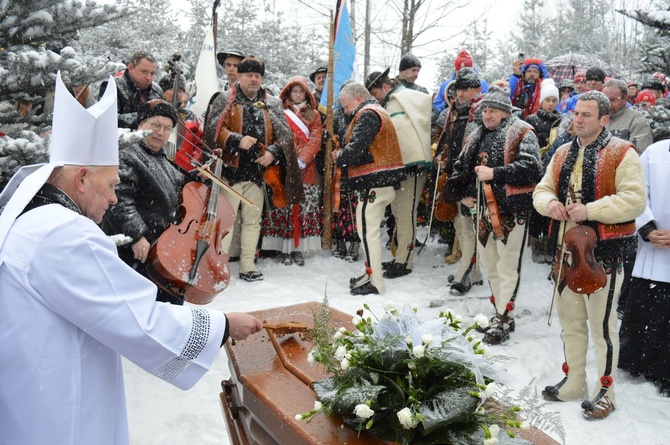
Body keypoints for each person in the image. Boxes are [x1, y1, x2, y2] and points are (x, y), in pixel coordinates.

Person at [0, 72, 262, 445]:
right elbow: (137, 318)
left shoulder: (34, 217)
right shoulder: (66, 233)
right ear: (82, 179)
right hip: (56, 398)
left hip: (30, 381)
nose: (112, 199)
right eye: (109, 186)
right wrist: (221, 326)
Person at [533, 90, 646, 420]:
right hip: (566, 253)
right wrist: (549, 204)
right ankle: (575, 382)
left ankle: (606, 390)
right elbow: (542, 190)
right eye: (576, 114)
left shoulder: (623, 153)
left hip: (604, 254)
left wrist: (590, 210)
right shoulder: (562, 153)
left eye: (586, 115)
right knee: (570, 323)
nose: (577, 120)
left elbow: (634, 200)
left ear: (604, 120)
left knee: (602, 328)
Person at [445, 86, 542, 344]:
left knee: (508, 266)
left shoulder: (523, 131)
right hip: (483, 210)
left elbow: (532, 167)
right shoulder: (476, 134)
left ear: (505, 111)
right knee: (491, 264)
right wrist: (462, 193)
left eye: (493, 110)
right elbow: (461, 165)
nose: (488, 115)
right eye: (485, 110)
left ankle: (503, 316)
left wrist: (495, 173)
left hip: (512, 209)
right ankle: (501, 314)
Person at [203, 56, 303, 282]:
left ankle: (248, 265)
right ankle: (219, 265)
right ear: (239, 76)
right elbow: (212, 130)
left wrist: (272, 154)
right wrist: (236, 139)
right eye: (249, 75)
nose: (254, 79)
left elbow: (285, 138)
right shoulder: (224, 99)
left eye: (257, 76)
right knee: (225, 221)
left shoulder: (272, 103)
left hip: (258, 175)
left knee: (252, 221)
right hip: (230, 172)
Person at [102, 99, 203, 305]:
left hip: (161, 251)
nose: (161, 132)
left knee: (167, 305)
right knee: (143, 307)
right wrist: (137, 234)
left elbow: (177, 187)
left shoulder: (160, 157)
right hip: (137, 253)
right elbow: (119, 199)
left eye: (167, 128)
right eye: (155, 125)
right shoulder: (128, 154)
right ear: (141, 124)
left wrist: (197, 177)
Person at [334, 82, 406, 295]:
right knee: (367, 232)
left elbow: (356, 148)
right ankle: (370, 272)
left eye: (346, 106)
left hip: (374, 183)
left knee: (368, 233)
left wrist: (341, 156)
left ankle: (375, 281)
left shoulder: (367, 114)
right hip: (381, 181)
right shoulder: (378, 111)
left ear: (358, 98)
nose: (346, 111)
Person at [365, 68, 432, 279]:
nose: (375, 99)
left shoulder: (405, 98)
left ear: (385, 86)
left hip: (412, 168)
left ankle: (406, 261)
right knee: (398, 213)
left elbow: (412, 131)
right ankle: (400, 256)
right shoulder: (393, 102)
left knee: (405, 215)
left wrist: (413, 157)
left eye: (375, 93)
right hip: (399, 168)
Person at [618, 139, 670, 397]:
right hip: (651, 247)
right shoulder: (655, 152)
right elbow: (638, 193)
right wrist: (648, 228)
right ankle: (634, 362)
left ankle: (665, 371)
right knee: (643, 307)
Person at [434, 67, 485, 295]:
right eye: (458, 89)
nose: (461, 94)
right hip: (456, 174)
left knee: (469, 227)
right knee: (460, 225)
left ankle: (467, 271)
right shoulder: (454, 112)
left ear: (477, 89)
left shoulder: (483, 112)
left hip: (473, 177)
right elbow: (448, 140)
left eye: (466, 89)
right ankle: (472, 270)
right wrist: (442, 156)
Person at [262, 76, 323, 266]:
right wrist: (288, 158)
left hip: (307, 169)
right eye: (294, 91)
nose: (297, 95)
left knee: (303, 209)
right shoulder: (281, 112)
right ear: (289, 93)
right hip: (284, 166)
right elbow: (276, 136)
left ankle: (298, 249)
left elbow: (315, 138)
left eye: (301, 91)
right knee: (285, 208)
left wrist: (303, 159)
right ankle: (284, 249)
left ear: (306, 93)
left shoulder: (314, 115)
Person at [525, 78, 563, 264]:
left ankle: (549, 241)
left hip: (554, 166)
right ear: (541, 101)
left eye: (554, 100)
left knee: (553, 202)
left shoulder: (561, 121)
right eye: (547, 100)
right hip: (536, 165)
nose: (550, 104)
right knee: (537, 204)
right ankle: (535, 238)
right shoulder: (532, 120)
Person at [99, 51, 163, 128]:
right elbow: (106, 119)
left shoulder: (157, 91)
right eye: (144, 72)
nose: (148, 77)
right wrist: (142, 119)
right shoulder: (113, 86)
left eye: (152, 73)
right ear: (130, 68)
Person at [158, 73, 204, 172]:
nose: (177, 94)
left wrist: (195, 161)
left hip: (185, 172)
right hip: (161, 170)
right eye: (172, 89)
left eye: (180, 91)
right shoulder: (154, 113)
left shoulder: (189, 115)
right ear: (162, 91)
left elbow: (199, 144)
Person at [603, 78, 653, 153]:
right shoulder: (596, 118)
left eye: (612, 100)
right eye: (605, 100)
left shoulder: (637, 121)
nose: (608, 104)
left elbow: (638, 154)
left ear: (625, 99)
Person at [432, 49, 489, 114]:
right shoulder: (445, 86)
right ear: (455, 70)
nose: (462, 73)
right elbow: (436, 107)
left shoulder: (482, 84)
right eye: (459, 70)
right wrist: (447, 105)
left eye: (467, 70)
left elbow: (487, 104)